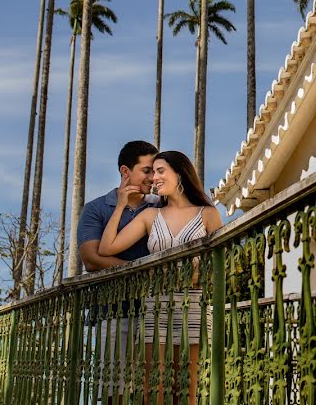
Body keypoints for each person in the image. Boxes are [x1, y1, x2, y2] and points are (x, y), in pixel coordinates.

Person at [98, 150, 222, 405]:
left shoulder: (207, 213)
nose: (154, 178)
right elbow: (106, 248)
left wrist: (200, 273)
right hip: (157, 307)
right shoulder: (150, 216)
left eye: (160, 171)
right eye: (152, 172)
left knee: (186, 389)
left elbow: (221, 262)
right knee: (153, 389)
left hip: (194, 307)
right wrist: (121, 204)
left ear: (180, 174)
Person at [76, 139, 160, 403]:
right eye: (147, 170)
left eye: (156, 170)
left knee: (156, 389)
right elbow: (91, 258)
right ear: (126, 172)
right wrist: (145, 271)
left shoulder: (162, 206)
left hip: (156, 310)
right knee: (114, 391)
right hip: (112, 310)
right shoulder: (96, 209)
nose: (153, 177)